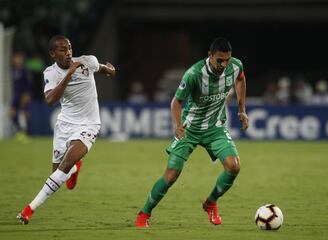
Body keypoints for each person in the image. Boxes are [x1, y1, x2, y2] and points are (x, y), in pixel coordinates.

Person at [135, 37, 249, 227]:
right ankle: (144, 214)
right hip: (190, 129)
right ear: (210, 55)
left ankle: (211, 203)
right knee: (171, 174)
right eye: (219, 60)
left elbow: (241, 79)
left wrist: (242, 109)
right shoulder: (194, 74)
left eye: (227, 60)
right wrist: (177, 124)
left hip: (215, 128)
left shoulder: (235, 66)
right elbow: (176, 102)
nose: (224, 64)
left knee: (234, 166)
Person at [17, 35, 116, 224]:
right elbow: (49, 101)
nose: (68, 52)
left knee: (63, 168)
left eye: (69, 47)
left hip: (89, 124)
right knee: (56, 173)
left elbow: (103, 68)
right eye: (62, 49)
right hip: (64, 126)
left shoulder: (87, 61)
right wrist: (69, 74)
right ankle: (75, 168)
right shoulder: (51, 73)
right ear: (53, 54)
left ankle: (29, 210)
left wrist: (110, 70)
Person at [9, 52, 33, 140]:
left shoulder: (24, 70)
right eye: (15, 58)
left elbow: (29, 83)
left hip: (24, 94)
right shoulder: (13, 70)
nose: (17, 60)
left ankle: (29, 132)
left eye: (19, 58)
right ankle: (19, 131)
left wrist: (27, 94)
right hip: (16, 94)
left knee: (26, 113)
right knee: (12, 112)